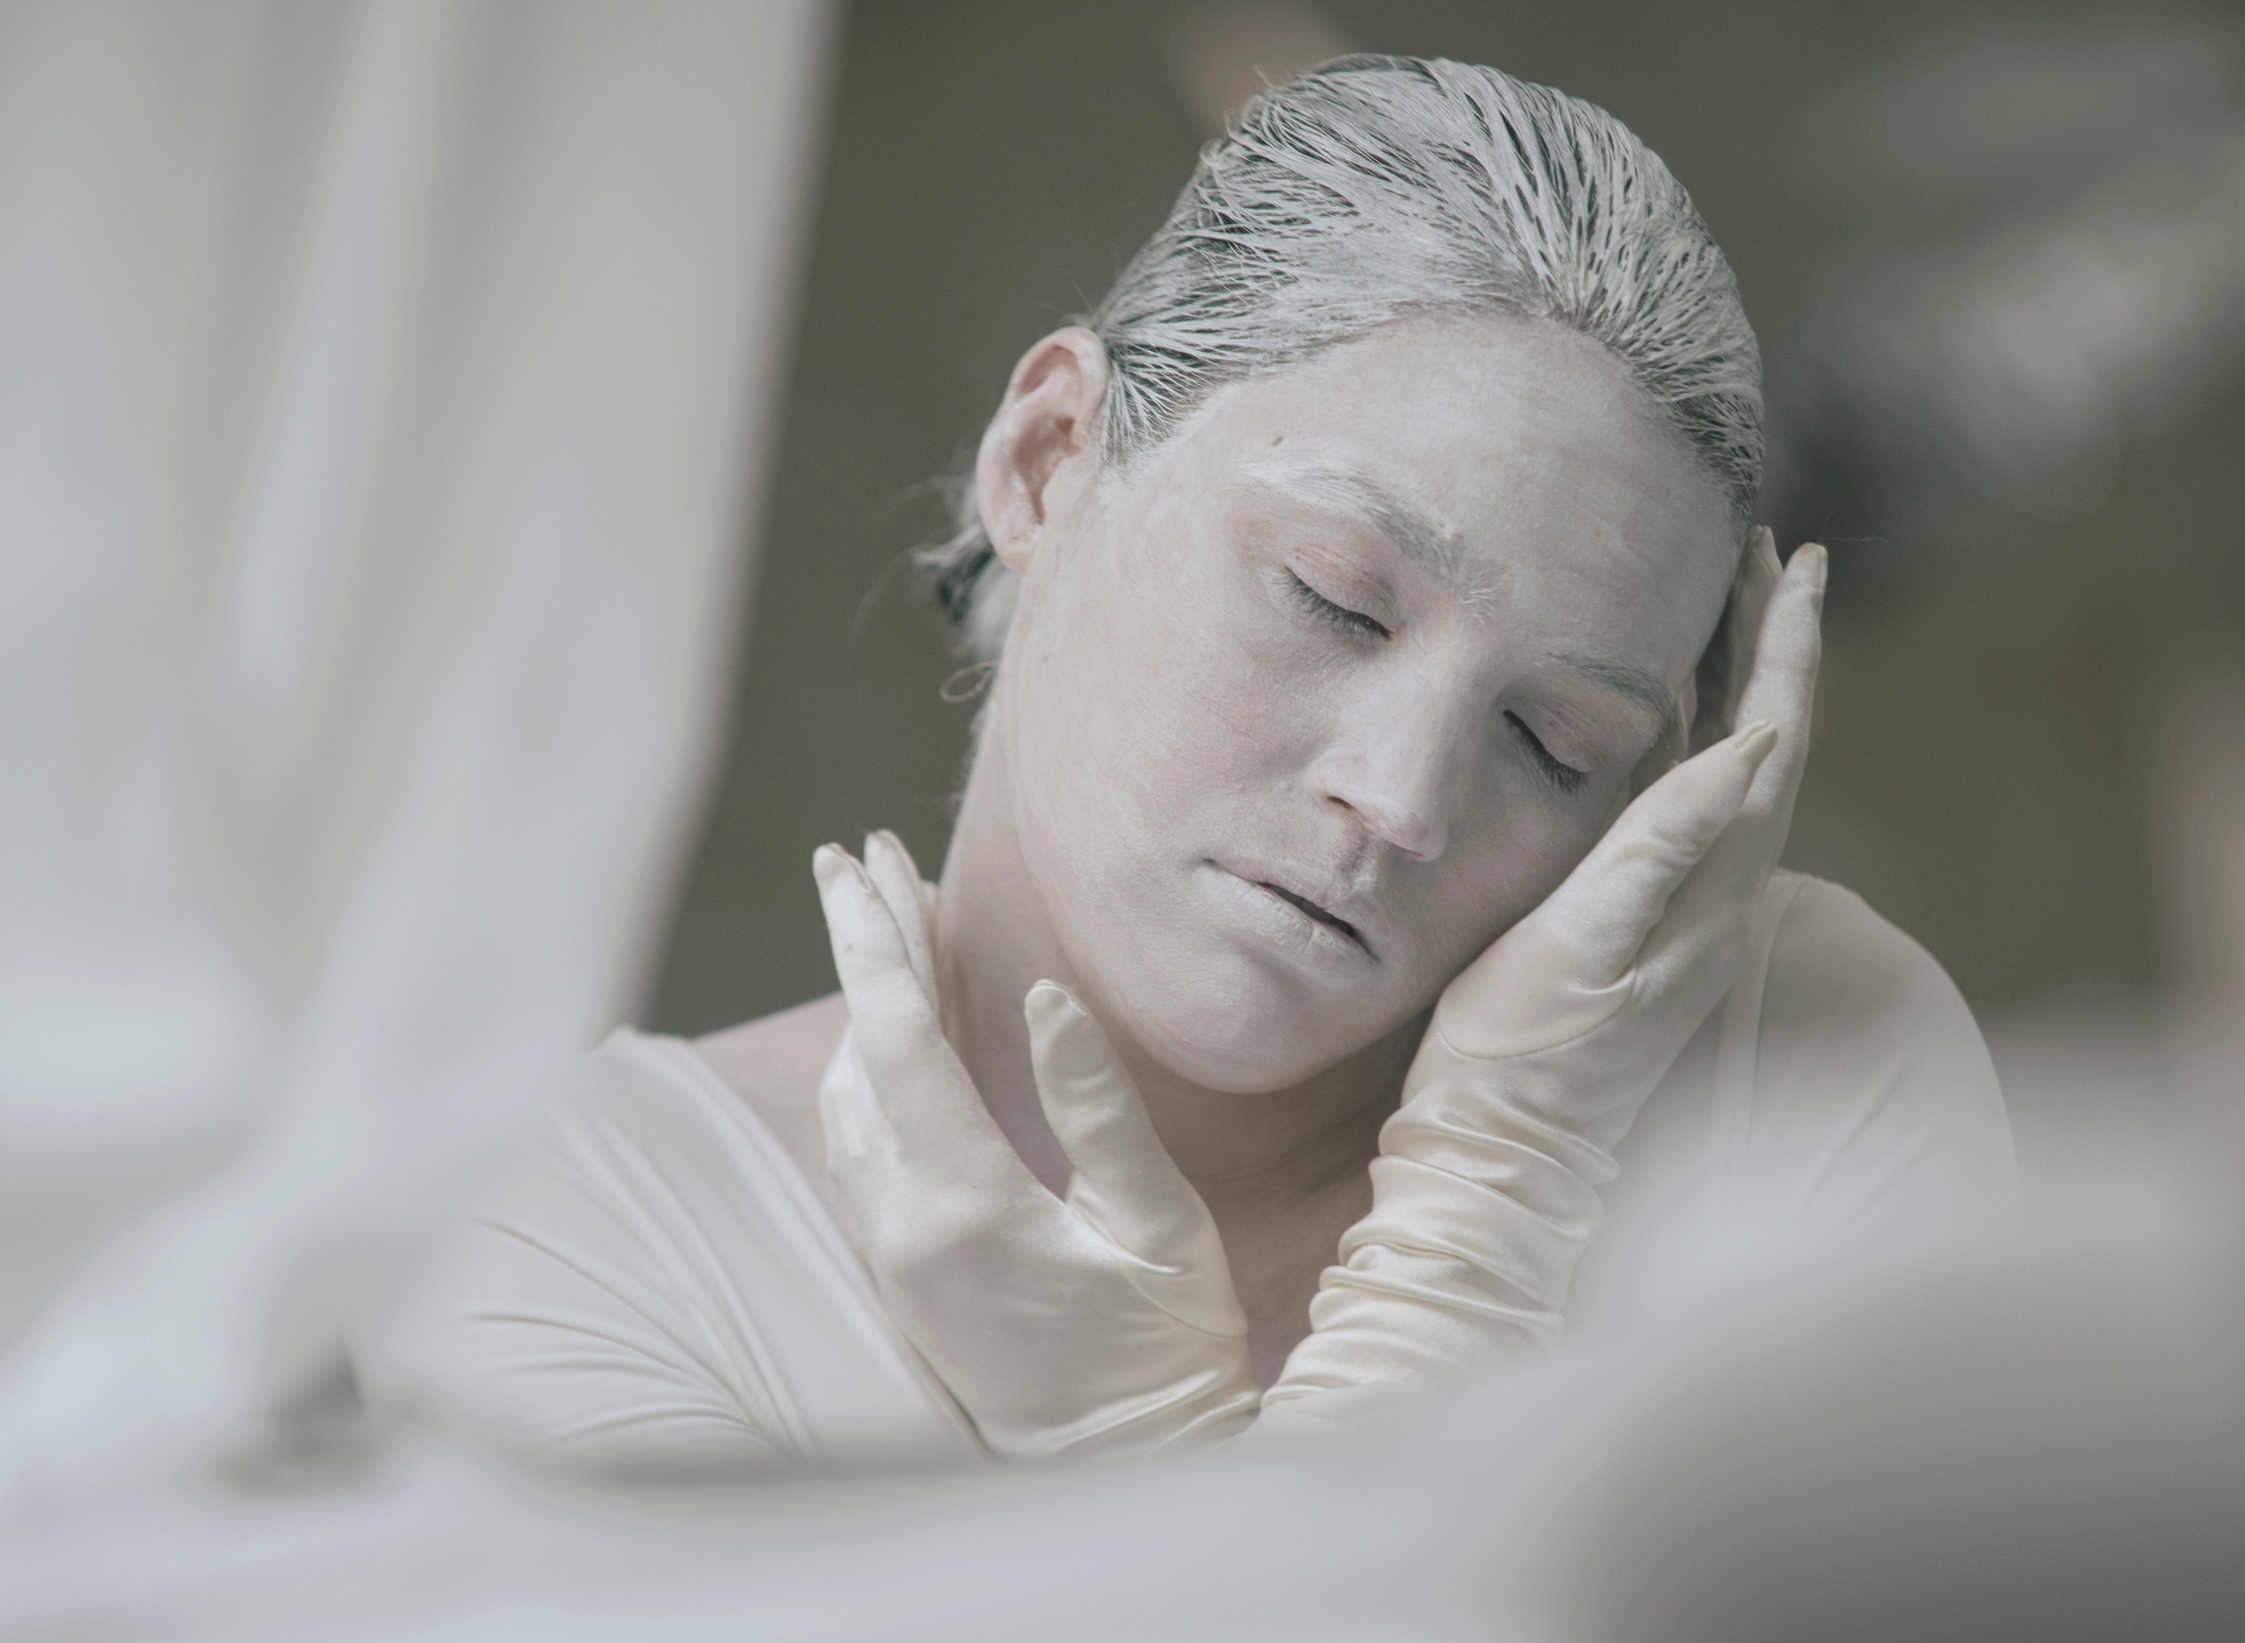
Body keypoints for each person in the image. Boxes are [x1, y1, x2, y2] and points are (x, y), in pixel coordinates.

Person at [362, 56, 2019, 1474]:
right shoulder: (576, 1227)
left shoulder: (1806, 1062)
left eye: (1554, 742)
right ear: (1048, 456)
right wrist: (1146, 1464)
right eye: (1335, 600)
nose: (1406, 793)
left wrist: (1488, 1217)